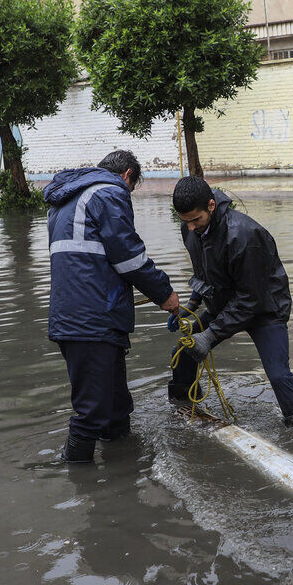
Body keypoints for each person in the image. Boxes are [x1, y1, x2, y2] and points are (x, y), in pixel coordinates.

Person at [45, 150, 180, 463]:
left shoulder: (68, 199)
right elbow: (129, 256)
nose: (128, 195)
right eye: (131, 188)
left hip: (79, 316)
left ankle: (125, 470)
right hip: (93, 319)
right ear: (128, 175)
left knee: (116, 404)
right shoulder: (109, 192)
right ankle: (77, 474)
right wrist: (165, 294)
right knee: (92, 410)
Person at [168, 175, 293, 426]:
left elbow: (250, 299)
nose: (190, 227)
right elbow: (203, 271)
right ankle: (184, 407)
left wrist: (209, 336)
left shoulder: (245, 234)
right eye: (184, 221)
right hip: (223, 304)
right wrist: (192, 304)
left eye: (195, 220)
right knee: (183, 351)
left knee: (278, 376)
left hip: (264, 310)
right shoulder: (191, 228)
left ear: (211, 205)